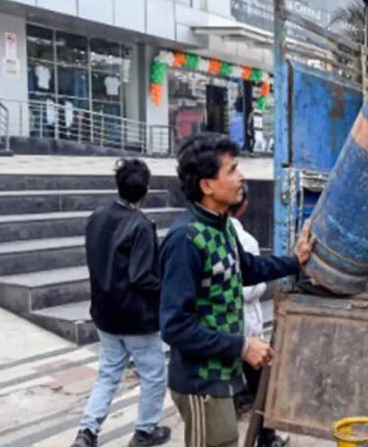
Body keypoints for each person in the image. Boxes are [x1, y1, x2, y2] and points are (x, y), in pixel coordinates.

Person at [160, 133, 309, 447]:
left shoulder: (223, 226)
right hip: (200, 380)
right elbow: (175, 326)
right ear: (207, 186)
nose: (241, 176)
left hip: (222, 374)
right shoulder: (185, 240)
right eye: (232, 170)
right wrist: (242, 347)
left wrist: (296, 261)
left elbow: (249, 268)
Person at [72, 159, 170, 447]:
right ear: (146, 190)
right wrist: (168, 289)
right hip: (135, 317)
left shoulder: (97, 217)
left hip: (104, 312)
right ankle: (146, 430)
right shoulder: (140, 225)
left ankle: (87, 431)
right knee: (153, 373)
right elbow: (142, 277)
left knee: (109, 372)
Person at [228, 188, 290, 447]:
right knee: (261, 384)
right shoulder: (246, 240)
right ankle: (266, 437)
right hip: (246, 327)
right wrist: (262, 284)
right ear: (242, 206)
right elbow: (248, 289)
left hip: (227, 328)